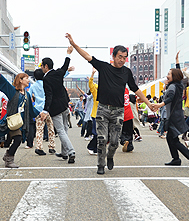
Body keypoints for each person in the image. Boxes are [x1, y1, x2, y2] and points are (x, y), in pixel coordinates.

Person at [66, 33, 154, 174]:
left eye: (125, 58)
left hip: (118, 111)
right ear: (113, 56)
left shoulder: (126, 72)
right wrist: (74, 44)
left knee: (114, 141)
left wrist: (148, 103)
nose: (122, 60)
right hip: (103, 109)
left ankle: (110, 156)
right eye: (120, 57)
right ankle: (100, 165)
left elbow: (135, 89)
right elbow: (87, 56)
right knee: (102, 139)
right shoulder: (104, 67)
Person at [0, 61, 39, 168]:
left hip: (22, 121)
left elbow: (31, 109)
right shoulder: (13, 91)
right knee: (17, 139)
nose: (28, 80)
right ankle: (9, 159)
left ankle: (7, 154)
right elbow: (4, 82)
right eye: (26, 78)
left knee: (18, 139)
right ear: (21, 80)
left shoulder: (27, 94)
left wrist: (40, 114)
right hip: (13, 119)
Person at [153, 68, 189, 169]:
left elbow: (170, 98)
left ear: (174, 76)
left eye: (169, 74)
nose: (167, 76)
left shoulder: (173, 86)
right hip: (177, 114)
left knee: (173, 140)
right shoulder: (179, 85)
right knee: (171, 138)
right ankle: (176, 159)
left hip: (173, 116)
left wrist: (159, 105)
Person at [39, 46, 76, 164]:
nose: (41, 68)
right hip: (65, 105)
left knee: (60, 130)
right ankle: (64, 153)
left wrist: (45, 111)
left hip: (56, 108)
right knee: (64, 129)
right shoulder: (58, 73)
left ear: (46, 66)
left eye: (42, 66)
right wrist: (68, 53)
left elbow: (48, 96)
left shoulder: (46, 79)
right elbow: (65, 66)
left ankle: (71, 152)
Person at [28, 68, 56, 155]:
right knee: (51, 128)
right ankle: (51, 147)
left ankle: (39, 147)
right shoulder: (47, 83)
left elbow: (28, 96)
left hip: (38, 110)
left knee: (39, 129)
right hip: (47, 109)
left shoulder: (33, 86)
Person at [87, 68, 99, 155]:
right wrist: (92, 75)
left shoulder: (107, 93)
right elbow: (91, 85)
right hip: (95, 115)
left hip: (104, 115)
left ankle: (95, 149)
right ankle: (91, 147)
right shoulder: (96, 93)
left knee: (101, 134)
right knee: (96, 133)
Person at [120, 87, 134, 152]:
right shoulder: (126, 89)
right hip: (129, 113)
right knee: (129, 131)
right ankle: (129, 146)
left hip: (121, 114)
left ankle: (124, 141)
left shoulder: (117, 89)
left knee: (122, 131)